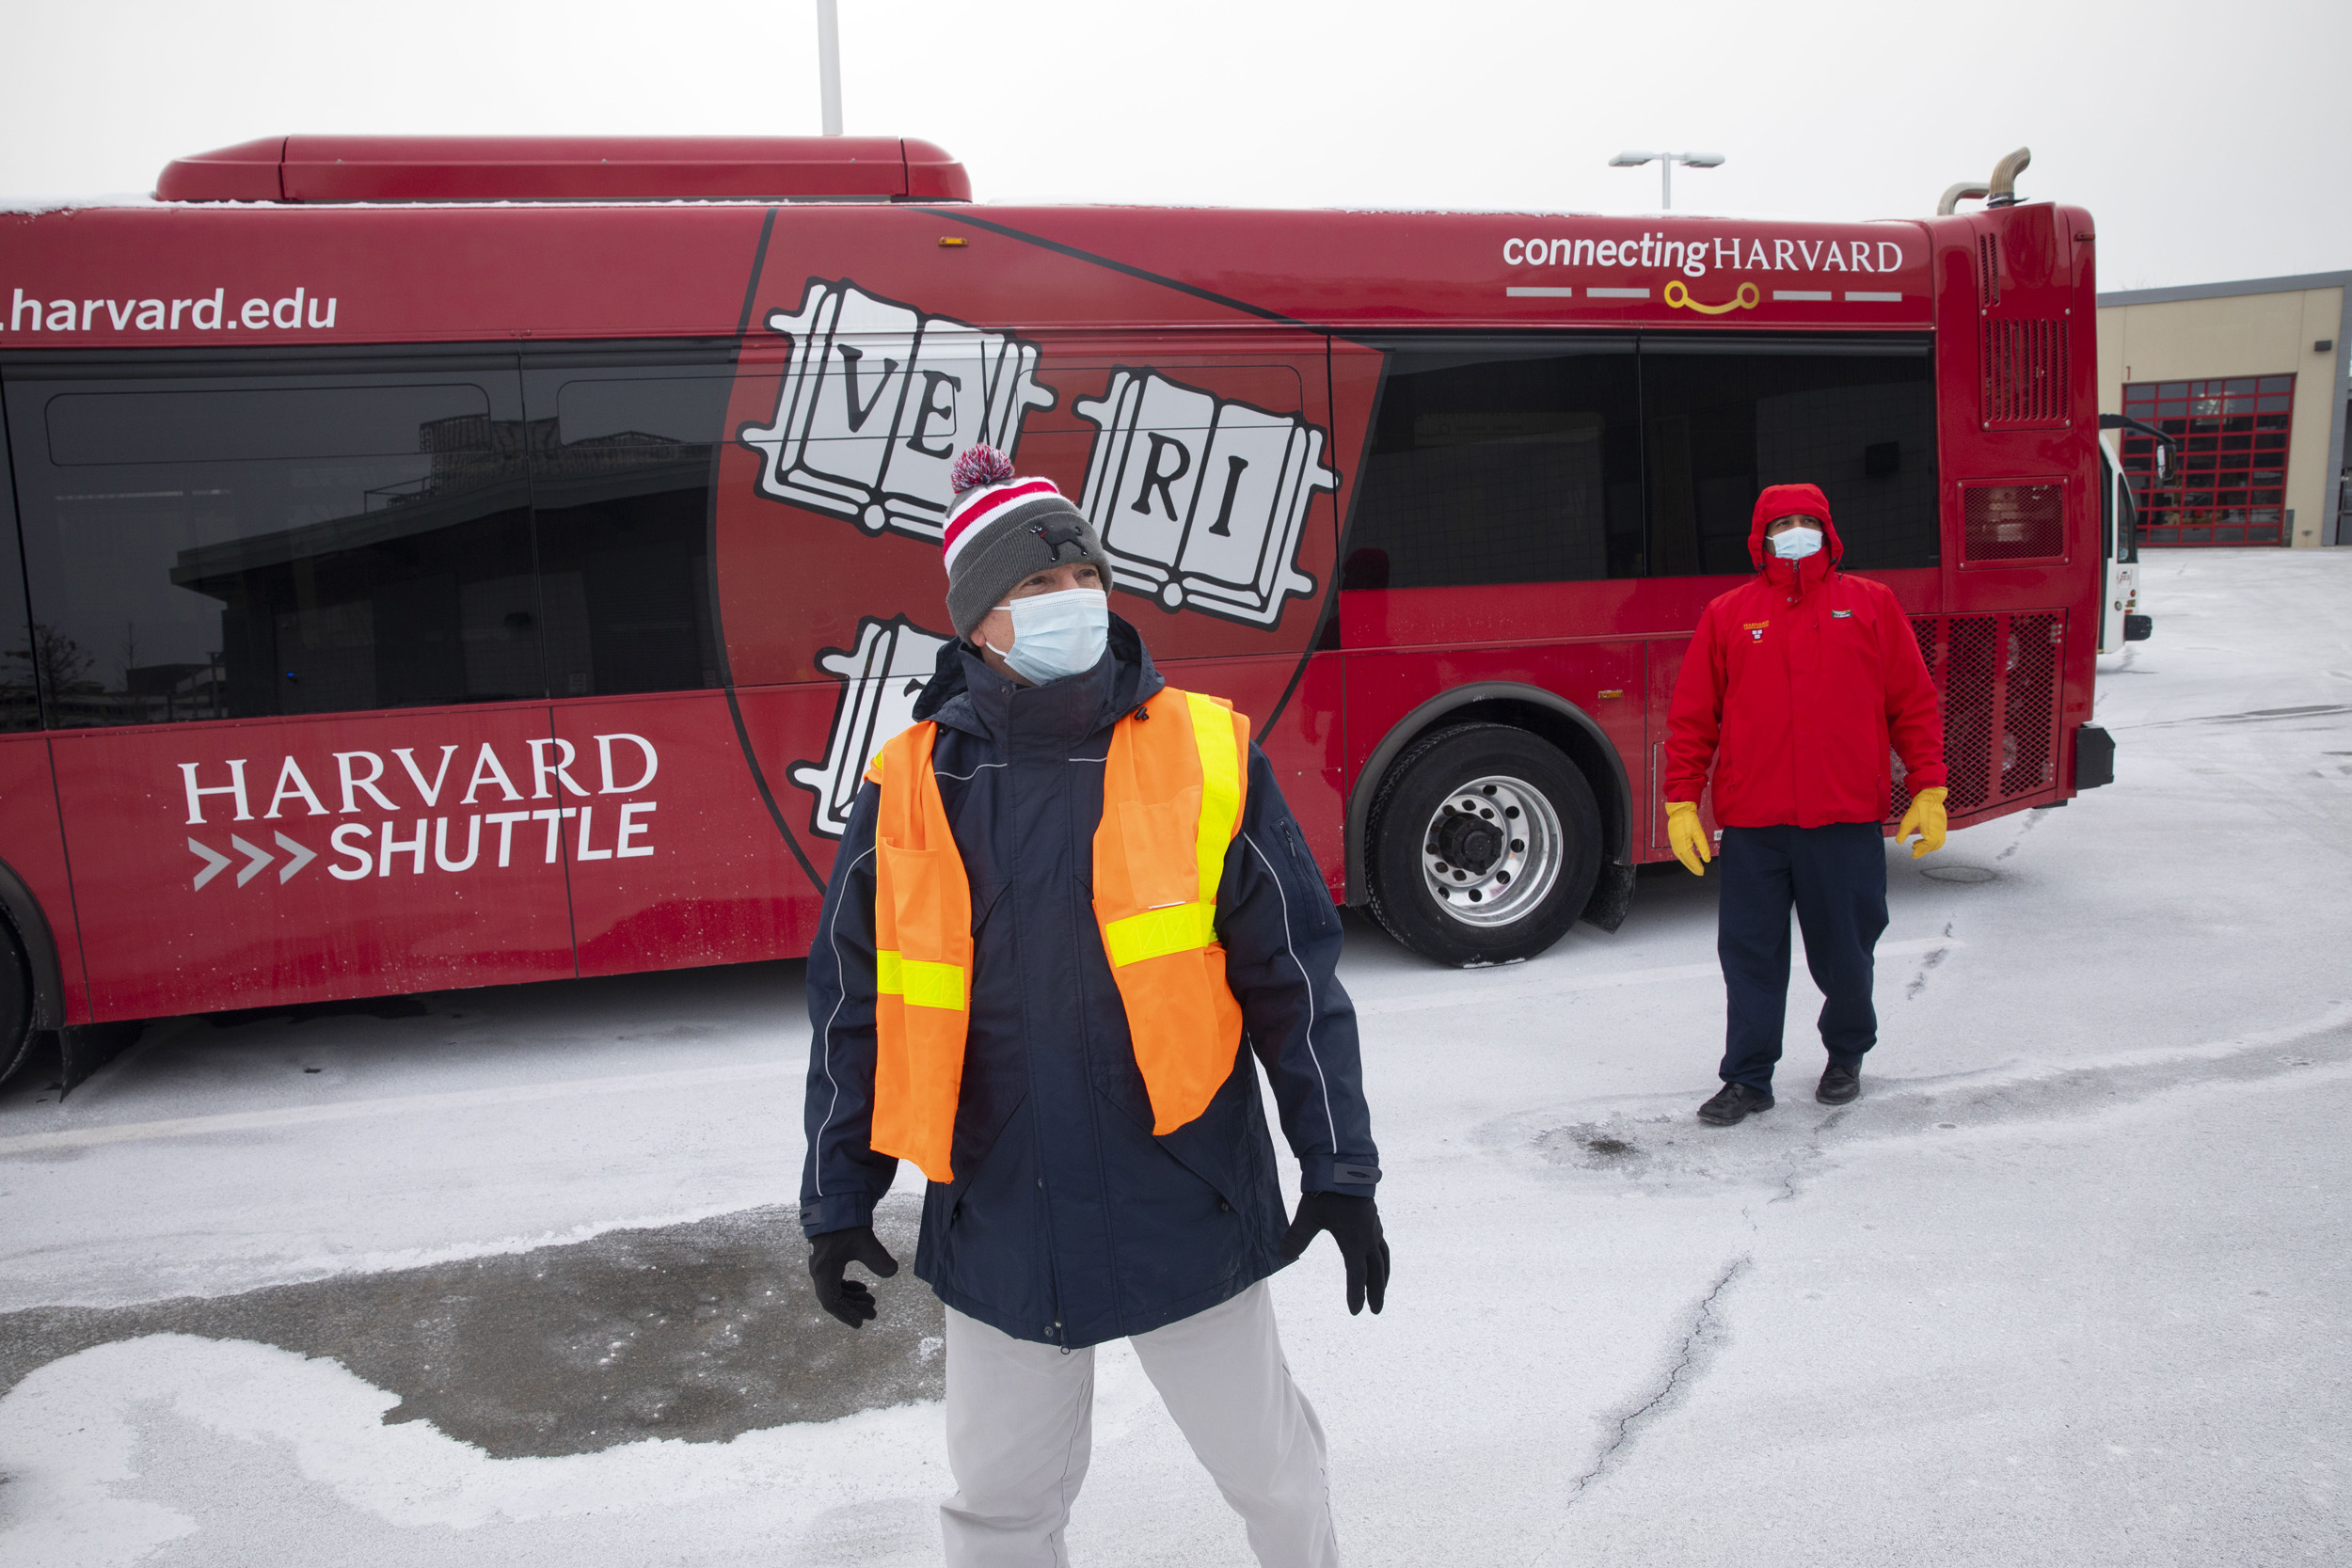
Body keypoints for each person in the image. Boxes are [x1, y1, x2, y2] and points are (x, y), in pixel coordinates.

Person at [800, 444, 1388, 1568]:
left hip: (1184, 1188)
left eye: (1083, 577)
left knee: (1271, 1474)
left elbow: (1294, 980)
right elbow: (853, 1010)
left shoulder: (1207, 747)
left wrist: (1339, 1165)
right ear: (976, 619)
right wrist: (837, 1196)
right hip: (998, 1211)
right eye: (1032, 586)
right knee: (998, 1509)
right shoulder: (907, 782)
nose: (1070, 602)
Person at [1661, 483, 1948, 1126]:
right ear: (1759, 539)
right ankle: (1748, 1078)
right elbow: (1692, 720)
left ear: (1827, 529)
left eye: (1805, 522)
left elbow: (1913, 701)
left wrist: (1929, 786)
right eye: (1780, 524)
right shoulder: (1729, 613)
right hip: (1755, 828)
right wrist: (1682, 803)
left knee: (1846, 954)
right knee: (1750, 958)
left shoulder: (1871, 605)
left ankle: (1846, 1054)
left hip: (1842, 822)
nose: (1793, 533)